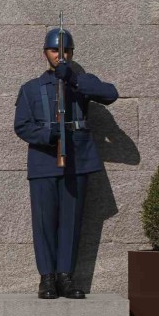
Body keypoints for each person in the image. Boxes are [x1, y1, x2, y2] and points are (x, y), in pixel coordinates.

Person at [14, 28, 118, 300]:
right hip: (44, 161)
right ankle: (47, 278)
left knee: (71, 222)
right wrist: (48, 136)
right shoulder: (31, 88)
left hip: (77, 162)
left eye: (66, 51)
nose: (60, 55)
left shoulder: (81, 82)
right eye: (54, 50)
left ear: (72, 53)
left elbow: (110, 94)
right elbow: (22, 125)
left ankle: (65, 276)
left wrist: (71, 78)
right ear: (45, 53)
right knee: (44, 222)